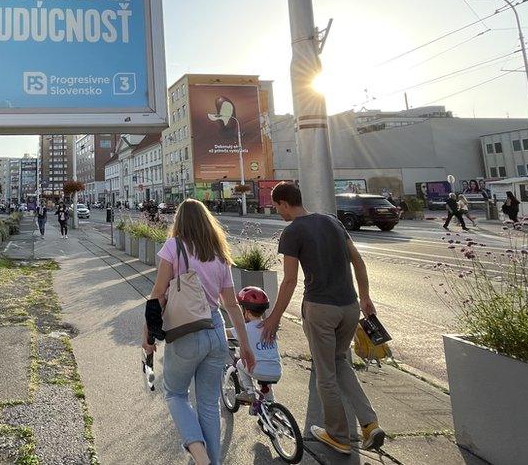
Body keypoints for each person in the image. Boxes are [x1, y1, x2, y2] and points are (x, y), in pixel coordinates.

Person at [261, 182, 386, 455]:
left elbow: (290, 281)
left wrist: (274, 317)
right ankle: (369, 423)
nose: (277, 212)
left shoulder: (292, 231)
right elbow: (358, 261)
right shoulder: (332, 222)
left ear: (284, 203)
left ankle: (338, 435)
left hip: (321, 309)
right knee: (340, 362)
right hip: (350, 306)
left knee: (325, 373)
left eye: (276, 207)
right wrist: (365, 298)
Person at [142, 199, 253, 465]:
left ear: (179, 222)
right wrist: (246, 346)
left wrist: (147, 336)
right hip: (216, 332)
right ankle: (212, 461)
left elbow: (157, 295)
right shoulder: (218, 253)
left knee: (176, 394)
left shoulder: (173, 247)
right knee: (209, 405)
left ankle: (200, 454)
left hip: (186, 331)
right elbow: (232, 305)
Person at [233, 287, 282, 416]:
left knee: (239, 364)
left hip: (258, 369)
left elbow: (227, 333)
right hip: (276, 370)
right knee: (266, 385)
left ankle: (249, 392)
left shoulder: (245, 328)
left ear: (246, 311)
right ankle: (272, 411)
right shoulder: (270, 326)